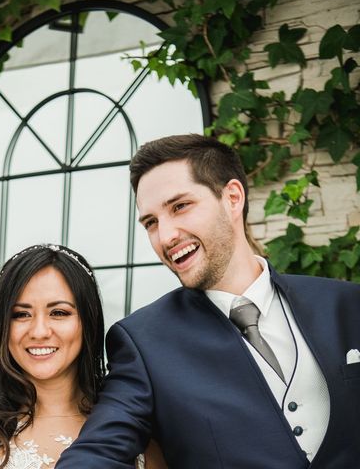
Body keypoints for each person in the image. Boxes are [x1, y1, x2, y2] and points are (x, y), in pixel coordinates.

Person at [57, 134, 360, 468]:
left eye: (180, 206)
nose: (166, 236)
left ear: (232, 197)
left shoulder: (347, 304)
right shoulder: (144, 342)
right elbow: (95, 456)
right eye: (151, 223)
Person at [0, 244, 167, 469]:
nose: (39, 331)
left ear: (88, 322)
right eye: (21, 314)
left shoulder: (134, 433)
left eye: (58, 313)